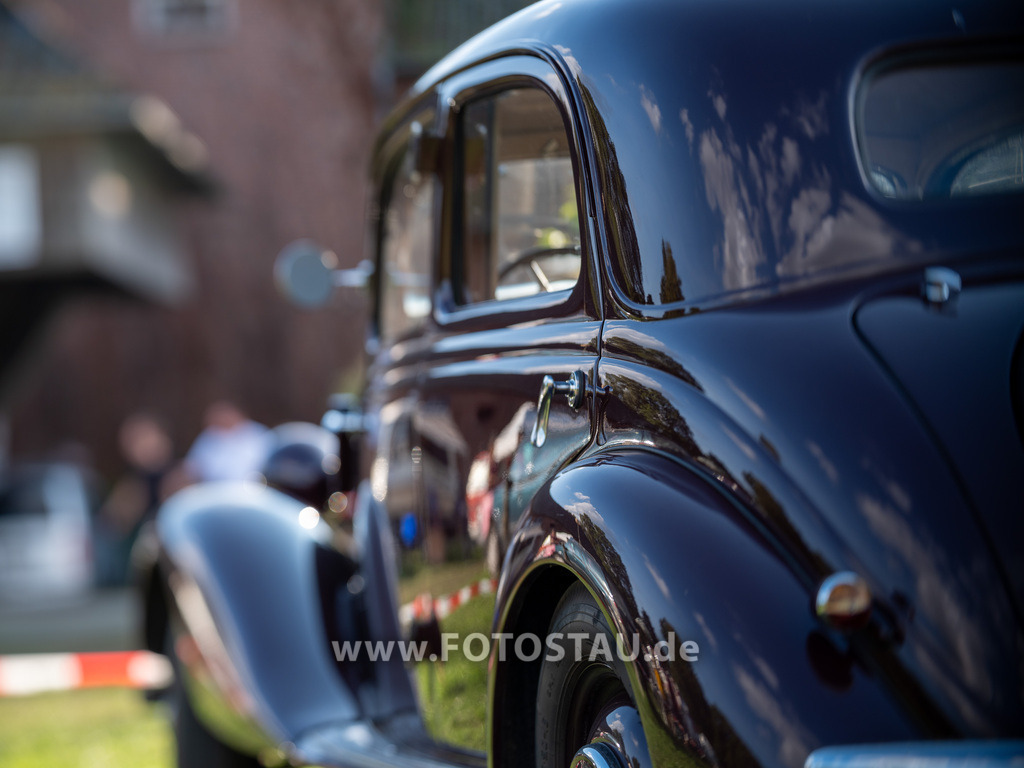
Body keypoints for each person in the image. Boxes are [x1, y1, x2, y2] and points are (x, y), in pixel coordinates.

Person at [183, 400, 271, 484]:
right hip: (215, 492)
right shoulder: (208, 437)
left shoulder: (257, 434)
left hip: (254, 491)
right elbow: (192, 468)